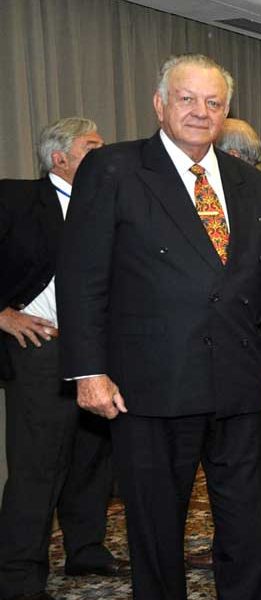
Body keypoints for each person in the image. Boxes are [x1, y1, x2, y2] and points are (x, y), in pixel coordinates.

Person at [56, 54, 261, 600]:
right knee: (157, 527)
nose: (199, 111)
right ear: (160, 104)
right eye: (186, 99)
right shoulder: (114, 170)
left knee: (248, 523)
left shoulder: (248, 181)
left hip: (240, 379)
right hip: (151, 384)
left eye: (213, 102)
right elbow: (81, 276)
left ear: (226, 112)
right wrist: (88, 371)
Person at [0, 117, 126, 600]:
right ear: (59, 158)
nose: (104, 153)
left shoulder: (111, 203)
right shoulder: (16, 198)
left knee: (92, 457)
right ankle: (18, 577)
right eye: (92, 146)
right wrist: (2, 314)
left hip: (99, 348)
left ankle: (86, 548)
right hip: (42, 349)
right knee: (39, 466)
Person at [177, 118, 261, 579]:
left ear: (231, 155)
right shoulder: (240, 192)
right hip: (234, 351)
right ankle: (246, 545)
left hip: (257, 350)